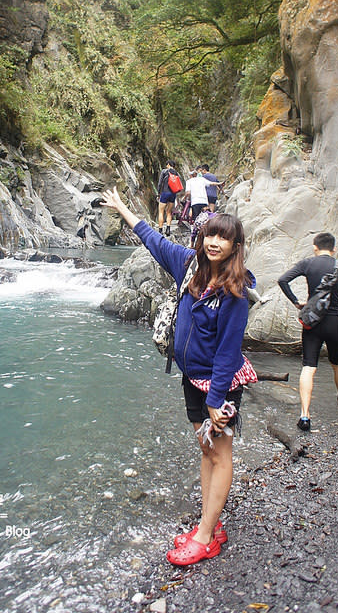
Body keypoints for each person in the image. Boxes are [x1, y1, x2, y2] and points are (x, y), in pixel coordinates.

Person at [101, 186, 257, 566]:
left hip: (218, 385)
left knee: (219, 455)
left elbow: (228, 352)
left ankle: (206, 537)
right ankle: (211, 522)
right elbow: (153, 239)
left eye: (224, 237)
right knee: (206, 450)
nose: (215, 242)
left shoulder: (237, 292)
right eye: (210, 235)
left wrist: (217, 399)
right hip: (192, 379)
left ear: (236, 246)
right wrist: (122, 207)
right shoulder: (189, 265)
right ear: (201, 238)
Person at [277, 232, 338, 431]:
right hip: (335, 322)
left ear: (315, 247)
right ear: (334, 249)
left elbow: (282, 280)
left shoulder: (308, 264)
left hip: (312, 322)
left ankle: (305, 415)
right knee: (337, 364)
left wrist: (296, 302)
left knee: (308, 366)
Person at [156, 160, 181, 236]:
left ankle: (160, 230)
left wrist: (158, 194)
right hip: (173, 194)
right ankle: (168, 229)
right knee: (169, 212)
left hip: (165, 192)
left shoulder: (164, 171)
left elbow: (160, 183)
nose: (166, 166)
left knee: (161, 211)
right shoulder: (176, 173)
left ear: (169, 164)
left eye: (167, 164)